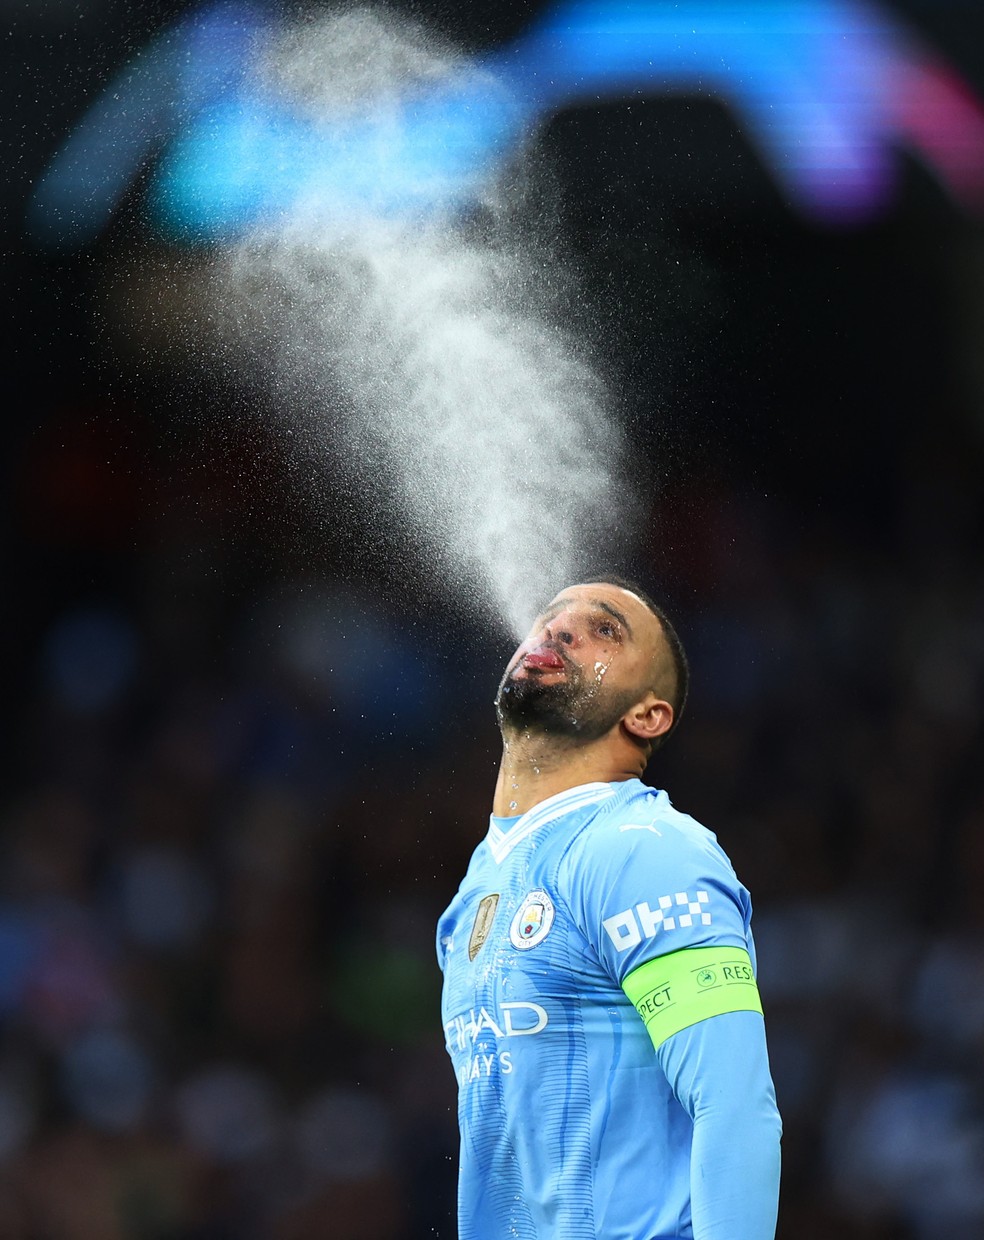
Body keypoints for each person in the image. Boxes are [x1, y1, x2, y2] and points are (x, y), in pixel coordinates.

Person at [437, 578, 782, 1239]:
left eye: (605, 631)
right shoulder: (471, 897)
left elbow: (734, 1107)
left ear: (647, 716)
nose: (558, 630)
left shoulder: (645, 849)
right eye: (549, 618)